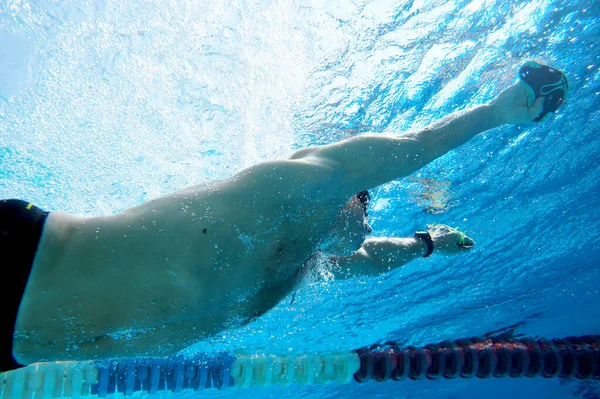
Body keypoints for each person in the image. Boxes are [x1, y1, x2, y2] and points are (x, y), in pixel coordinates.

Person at [0, 61, 568, 371]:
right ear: (351, 196)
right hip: (21, 254)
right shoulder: (295, 186)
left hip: (16, 348)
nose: (368, 224)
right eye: (367, 205)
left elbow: (369, 259)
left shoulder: (299, 267)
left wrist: (425, 243)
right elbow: (407, 147)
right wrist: (496, 114)